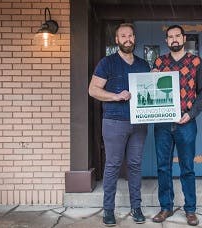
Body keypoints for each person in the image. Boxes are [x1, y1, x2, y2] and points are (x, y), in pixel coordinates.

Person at [88, 23, 150, 226]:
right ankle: (108, 210)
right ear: (117, 40)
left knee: (134, 165)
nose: (127, 39)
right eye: (123, 36)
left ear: (134, 38)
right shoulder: (107, 63)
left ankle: (136, 207)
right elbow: (93, 90)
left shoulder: (143, 65)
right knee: (113, 166)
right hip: (114, 122)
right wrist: (116, 96)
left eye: (130, 35)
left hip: (139, 124)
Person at [151, 25, 202, 226]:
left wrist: (191, 114)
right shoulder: (159, 62)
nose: (174, 39)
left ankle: (190, 209)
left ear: (184, 38)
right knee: (163, 167)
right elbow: (152, 91)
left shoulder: (196, 61)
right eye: (170, 37)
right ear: (166, 41)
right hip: (163, 124)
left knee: (187, 168)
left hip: (186, 123)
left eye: (177, 36)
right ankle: (165, 207)